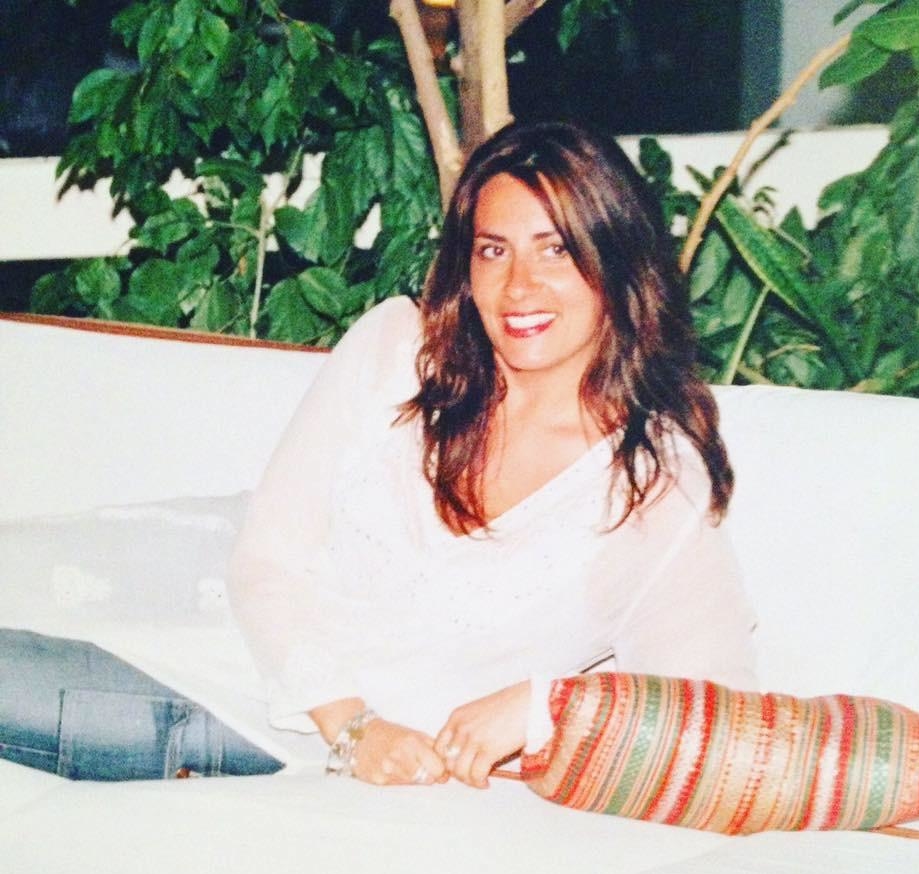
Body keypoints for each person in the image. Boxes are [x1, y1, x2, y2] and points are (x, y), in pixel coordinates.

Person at [227, 119, 757, 790]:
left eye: (555, 250)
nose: (518, 286)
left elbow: (715, 717)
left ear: (617, 260)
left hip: (323, 786)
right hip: (210, 686)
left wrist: (548, 709)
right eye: (493, 250)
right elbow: (265, 560)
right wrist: (353, 728)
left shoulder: (649, 485)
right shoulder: (398, 353)